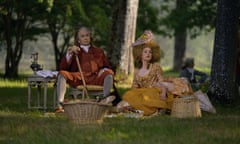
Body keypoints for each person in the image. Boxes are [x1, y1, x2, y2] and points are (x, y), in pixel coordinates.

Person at [117, 30, 193, 116]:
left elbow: (161, 82)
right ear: (140, 54)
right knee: (130, 94)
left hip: (156, 91)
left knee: (148, 95)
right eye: (145, 52)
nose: (148, 54)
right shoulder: (137, 73)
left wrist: (163, 92)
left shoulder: (155, 67)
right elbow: (135, 88)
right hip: (144, 92)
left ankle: (149, 108)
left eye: (150, 52)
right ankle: (131, 107)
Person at [55, 26, 116, 112]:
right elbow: (63, 67)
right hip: (80, 76)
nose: (85, 38)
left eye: (87, 35)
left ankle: (105, 101)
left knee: (109, 73)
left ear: (90, 37)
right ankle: (60, 104)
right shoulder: (74, 51)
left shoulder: (99, 51)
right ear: (78, 39)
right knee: (62, 73)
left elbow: (106, 66)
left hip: (95, 77)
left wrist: (104, 70)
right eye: (82, 36)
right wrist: (70, 54)